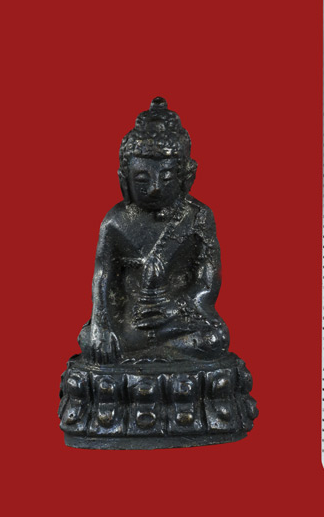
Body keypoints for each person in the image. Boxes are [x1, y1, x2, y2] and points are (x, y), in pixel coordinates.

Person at [77, 97, 229, 363]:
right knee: (91, 339)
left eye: (166, 178)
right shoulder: (116, 222)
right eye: (142, 179)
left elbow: (208, 279)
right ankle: (148, 352)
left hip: (176, 318)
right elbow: (103, 274)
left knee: (215, 338)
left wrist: (174, 309)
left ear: (186, 177)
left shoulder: (197, 217)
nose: (155, 187)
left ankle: (145, 354)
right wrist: (101, 324)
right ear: (124, 181)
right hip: (130, 320)